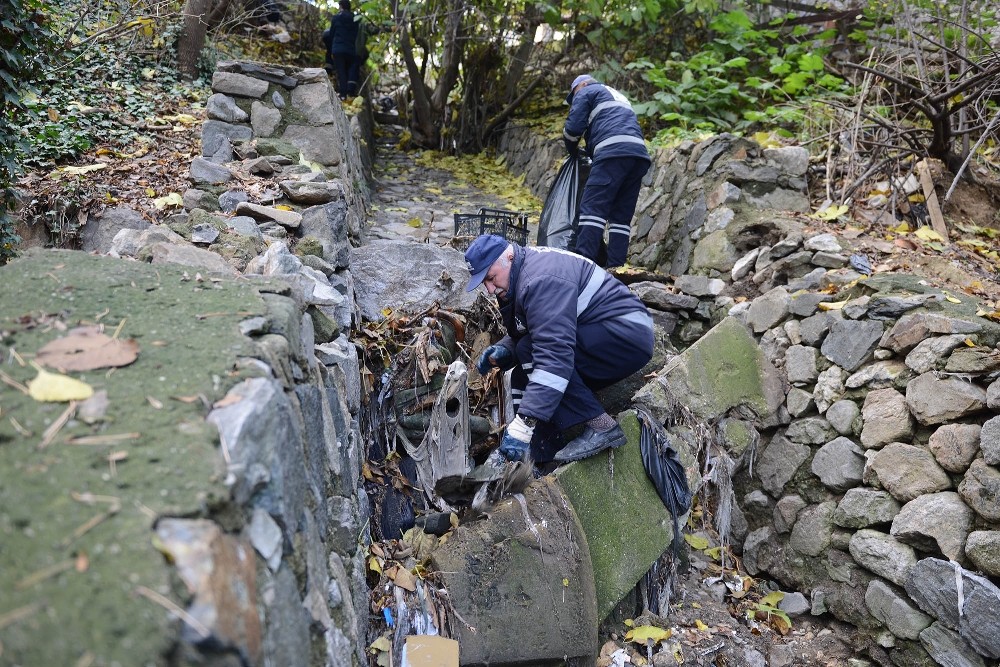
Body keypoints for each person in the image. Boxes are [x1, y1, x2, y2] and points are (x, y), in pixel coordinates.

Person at [464, 234, 654, 464]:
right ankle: (540, 460)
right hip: (609, 332)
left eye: (491, 278)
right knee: (521, 377)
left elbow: (554, 357)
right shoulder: (521, 274)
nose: (490, 289)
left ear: (509, 256)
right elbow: (538, 328)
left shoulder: (539, 280)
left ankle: (602, 426)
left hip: (625, 336)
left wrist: (522, 427)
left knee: (534, 355)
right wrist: (505, 349)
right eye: (485, 283)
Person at [563, 74, 651, 269]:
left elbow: (573, 128)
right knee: (620, 217)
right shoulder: (617, 95)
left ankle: (582, 266)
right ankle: (616, 269)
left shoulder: (586, 91)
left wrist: (572, 151)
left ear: (583, 84)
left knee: (592, 210)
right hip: (638, 155)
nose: (573, 98)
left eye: (573, 93)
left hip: (613, 152)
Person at [325, 0, 361, 99]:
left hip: (338, 49)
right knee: (349, 70)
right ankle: (350, 92)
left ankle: (343, 95)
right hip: (350, 49)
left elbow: (331, 34)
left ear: (341, 6)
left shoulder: (336, 18)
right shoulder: (355, 19)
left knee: (341, 72)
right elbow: (356, 34)